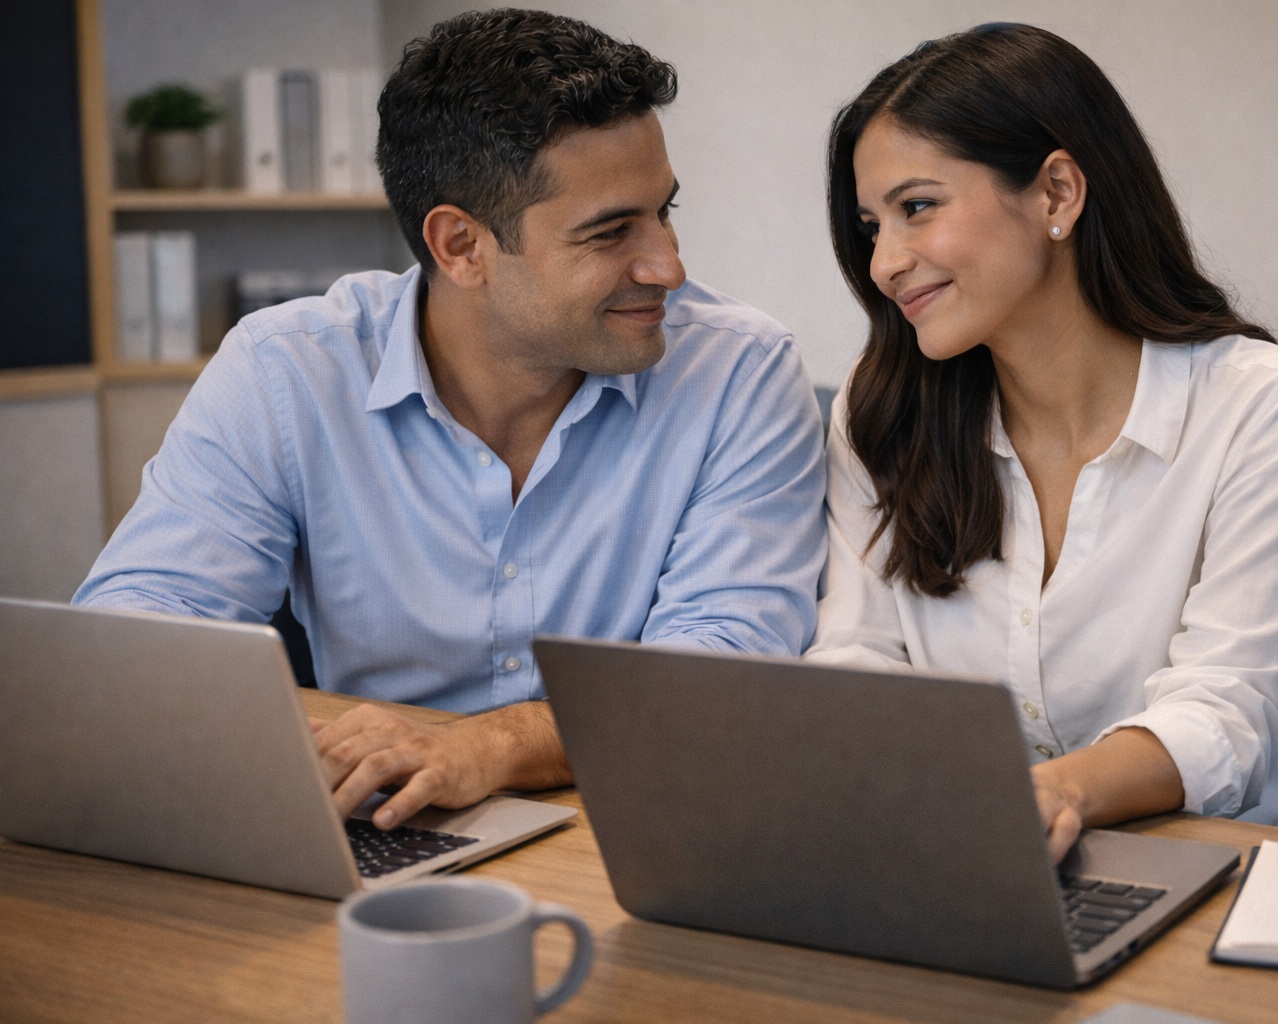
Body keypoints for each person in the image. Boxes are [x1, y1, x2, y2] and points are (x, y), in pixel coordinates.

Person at [75, 9, 826, 831]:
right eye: (611, 232)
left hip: (633, 826)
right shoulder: (288, 369)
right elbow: (136, 633)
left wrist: (488, 748)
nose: (668, 266)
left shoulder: (738, 371)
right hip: (376, 821)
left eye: (665, 211)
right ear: (460, 245)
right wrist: (328, 752)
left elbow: (724, 674)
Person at [808, 23, 1278, 862]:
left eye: (917, 208)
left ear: (1057, 193)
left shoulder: (1265, 406)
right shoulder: (878, 415)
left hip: (1228, 865)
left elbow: (1226, 710)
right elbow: (856, 659)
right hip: (962, 853)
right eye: (871, 225)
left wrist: (1046, 798)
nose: (883, 263)